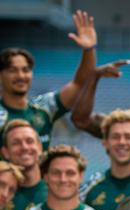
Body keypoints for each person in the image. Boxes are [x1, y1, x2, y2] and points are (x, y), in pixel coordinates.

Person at [0, 11, 98, 149]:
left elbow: (80, 83)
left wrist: (89, 50)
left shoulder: (44, 108)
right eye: (12, 70)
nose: (21, 76)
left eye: (26, 70)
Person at [80, 109, 130, 210]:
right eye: (115, 137)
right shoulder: (89, 189)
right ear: (105, 142)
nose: (122, 142)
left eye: (128, 137)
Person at [0, 120, 48, 210]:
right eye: (16, 143)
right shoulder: (2, 194)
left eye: (29, 141)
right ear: (5, 152)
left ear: (40, 147)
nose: (24, 147)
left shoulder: (57, 191)